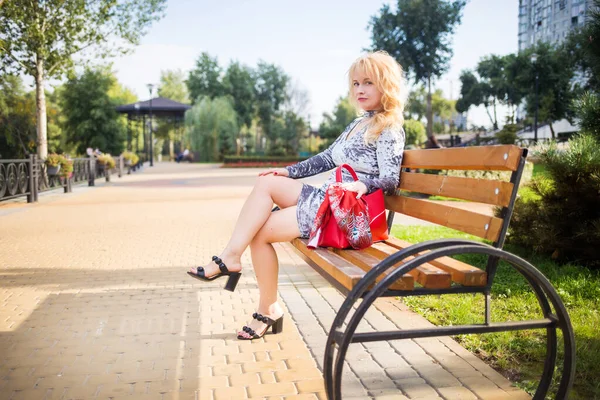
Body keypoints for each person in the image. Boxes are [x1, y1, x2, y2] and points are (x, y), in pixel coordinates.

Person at [187, 51, 407, 340]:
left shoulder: (388, 127)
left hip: (346, 214)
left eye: (368, 82)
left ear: (386, 85)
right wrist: (288, 172)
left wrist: (363, 186)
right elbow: (328, 158)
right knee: (267, 182)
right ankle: (231, 258)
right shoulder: (357, 124)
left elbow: (391, 180)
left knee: (258, 232)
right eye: (355, 83)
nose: (360, 90)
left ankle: (266, 306)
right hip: (328, 200)